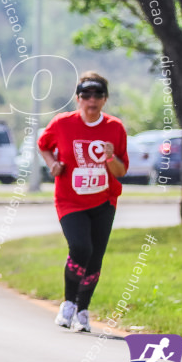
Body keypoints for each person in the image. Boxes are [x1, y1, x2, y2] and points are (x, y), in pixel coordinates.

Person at [38, 72, 128, 333]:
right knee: (80, 247)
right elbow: (43, 145)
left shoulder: (115, 128)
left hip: (104, 200)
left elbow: (121, 171)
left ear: (105, 99)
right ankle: (68, 303)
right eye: (86, 95)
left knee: (96, 257)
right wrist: (53, 164)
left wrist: (110, 158)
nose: (92, 100)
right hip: (69, 200)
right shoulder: (62, 124)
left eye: (97, 95)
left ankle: (83, 310)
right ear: (78, 99)